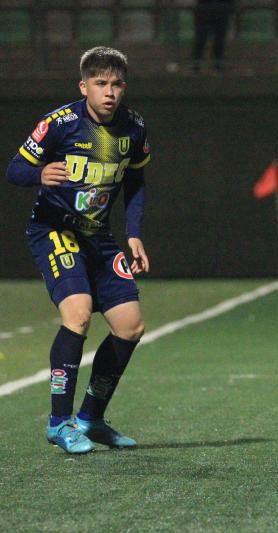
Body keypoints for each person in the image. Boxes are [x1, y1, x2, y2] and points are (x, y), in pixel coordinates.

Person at [6, 47, 151, 454]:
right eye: (101, 84)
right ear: (83, 86)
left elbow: (136, 184)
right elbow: (14, 169)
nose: (110, 92)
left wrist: (134, 232)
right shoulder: (60, 123)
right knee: (79, 313)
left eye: (117, 84)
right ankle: (58, 422)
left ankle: (90, 418)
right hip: (54, 231)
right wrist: (39, 173)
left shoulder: (134, 128)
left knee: (130, 325)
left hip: (98, 237)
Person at [192, 0, 233, 73]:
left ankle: (217, 62)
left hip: (218, 9)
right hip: (208, 9)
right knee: (202, 37)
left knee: (218, 38)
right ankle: (198, 62)